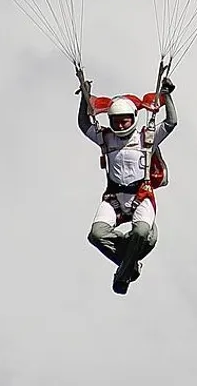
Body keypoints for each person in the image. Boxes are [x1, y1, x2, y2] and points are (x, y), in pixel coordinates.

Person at [76, 72, 177, 294]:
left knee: (141, 233)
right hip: (114, 197)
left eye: (125, 119)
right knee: (96, 235)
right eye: (116, 120)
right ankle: (130, 262)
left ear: (133, 118)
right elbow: (84, 125)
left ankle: (125, 269)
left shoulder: (145, 138)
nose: (121, 124)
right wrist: (85, 97)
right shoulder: (106, 138)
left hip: (141, 195)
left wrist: (167, 95)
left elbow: (171, 122)